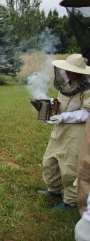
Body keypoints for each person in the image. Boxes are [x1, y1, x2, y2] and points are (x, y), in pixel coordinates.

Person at [38, 54, 90, 210]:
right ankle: (53, 190)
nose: (66, 72)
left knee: (70, 167)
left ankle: (70, 200)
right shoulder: (67, 85)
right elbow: (61, 105)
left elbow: (86, 113)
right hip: (59, 130)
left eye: (70, 70)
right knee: (49, 161)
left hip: (76, 134)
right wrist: (50, 107)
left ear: (79, 72)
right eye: (65, 69)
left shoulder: (87, 89)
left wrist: (64, 117)